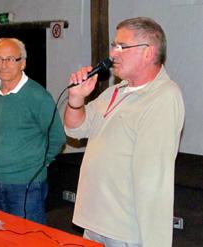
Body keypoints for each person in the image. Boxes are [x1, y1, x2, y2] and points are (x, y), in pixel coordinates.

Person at [64, 17, 185, 247]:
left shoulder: (163, 97)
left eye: (121, 46)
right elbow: (75, 128)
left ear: (148, 53)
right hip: (95, 222)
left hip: (124, 230)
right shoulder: (115, 92)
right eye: (113, 45)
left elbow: (153, 179)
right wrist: (76, 99)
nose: (112, 54)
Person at [0, 38, 66, 224]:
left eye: (11, 59)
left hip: (27, 183)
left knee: (28, 237)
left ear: (23, 63)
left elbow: (57, 137)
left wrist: (39, 164)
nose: (3, 65)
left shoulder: (38, 96)